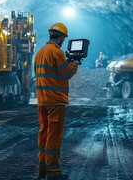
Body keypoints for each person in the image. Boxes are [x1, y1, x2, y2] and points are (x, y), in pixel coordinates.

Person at [34, 22, 79, 179]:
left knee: (44, 133)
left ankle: (42, 168)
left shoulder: (40, 52)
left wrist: (66, 63)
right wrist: (74, 64)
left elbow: (52, 72)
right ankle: (53, 171)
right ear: (61, 37)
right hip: (55, 100)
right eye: (63, 38)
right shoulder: (56, 52)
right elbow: (65, 74)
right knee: (54, 134)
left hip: (42, 100)